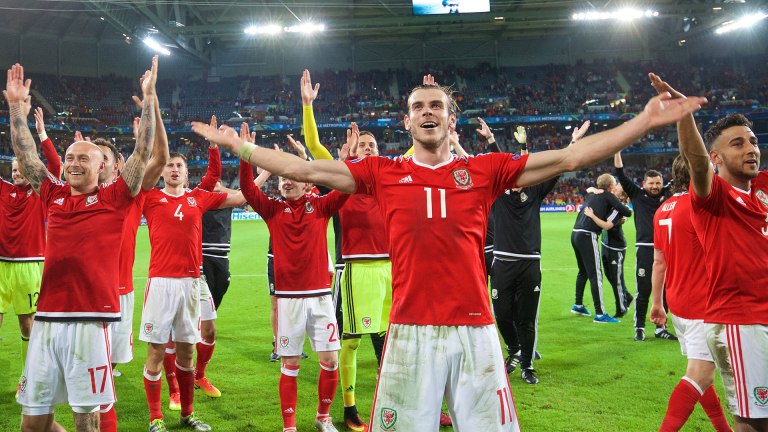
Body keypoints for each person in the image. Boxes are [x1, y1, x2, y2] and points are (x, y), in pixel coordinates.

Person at [192, 77, 705, 430]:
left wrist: (642, 122)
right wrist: (240, 148)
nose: (427, 112)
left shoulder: (484, 170)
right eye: (418, 106)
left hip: (476, 330)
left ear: (450, 117)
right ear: (407, 120)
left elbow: (570, 156)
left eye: (436, 105)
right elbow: (304, 171)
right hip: (410, 329)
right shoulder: (383, 174)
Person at [8, 56, 157, 432]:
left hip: (90, 323)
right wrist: (15, 109)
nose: (73, 163)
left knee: (86, 422)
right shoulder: (52, 194)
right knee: (33, 425)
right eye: (70, 158)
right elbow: (27, 155)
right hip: (46, 320)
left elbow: (143, 152)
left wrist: (151, 100)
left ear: (102, 168)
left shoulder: (116, 197)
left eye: (83, 159)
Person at [651, 72, 768, 432]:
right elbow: (697, 162)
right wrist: (684, 113)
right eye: (737, 144)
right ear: (716, 156)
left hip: (755, 315)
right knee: (753, 423)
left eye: (752, 141)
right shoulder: (711, 196)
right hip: (739, 320)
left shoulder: (759, 193)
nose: (750, 148)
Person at [237, 123, 349, 432]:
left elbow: (343, 190)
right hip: (288, 301)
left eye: (291, 177)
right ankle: (289, 426)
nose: (285, 182)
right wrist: (246, 155)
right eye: (282, 178)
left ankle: (323, 418)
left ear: (304, 180)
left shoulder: (321, 206)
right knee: (291, 365)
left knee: (330, 361)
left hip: (320, 298)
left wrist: (347, 159)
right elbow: (248, 190)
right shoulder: (273, 210)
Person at [299, 70, 390, 431]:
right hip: (356, 270)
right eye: (363, 145)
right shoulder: (344, 177)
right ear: (354, 151)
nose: (368, 149)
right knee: (350, 344)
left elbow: (423, 148)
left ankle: (396, 400)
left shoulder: (391, 175)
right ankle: (350, 410)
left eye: (373, 146)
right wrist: (308, 106)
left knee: (392, 344)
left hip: (392, 270)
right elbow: (313, 147)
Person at [140, 145, 244, 431]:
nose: (174, 169)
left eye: (179, 166)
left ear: (187, 174)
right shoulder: (149, 197)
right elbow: (138, 175)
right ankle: (155, 418)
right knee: (157, 352)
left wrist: (214, 148)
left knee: (186, 353)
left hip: (190, 283)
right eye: (169, 165)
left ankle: (187, 415)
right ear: (161, 171)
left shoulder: (197, 198)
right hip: (160, 283)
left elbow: (227, 186)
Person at [490, 120, 589, 385]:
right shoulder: (497, 193)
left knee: (526, 318)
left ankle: (527, 365)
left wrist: (574, 141)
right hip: (502, 262)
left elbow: (559, 166)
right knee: (501, 315)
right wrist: (490, 140)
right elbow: (495, 165)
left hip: (530, 263)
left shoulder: (535, 192)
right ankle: (514, 349)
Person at [649, 155, 732, 432]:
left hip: (678, 304)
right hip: (703, 304)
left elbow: (658, 262)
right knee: (699, 375)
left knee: (701, 373)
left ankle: (724, 429)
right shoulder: (700, 206)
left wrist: (657, 303)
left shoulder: (663, 209)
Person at [0, 104, 60, 394]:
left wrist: (42, 135)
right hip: (0, 265)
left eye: (20, 168)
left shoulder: (40, 192)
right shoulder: (3, 190)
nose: (16, 173)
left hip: (30, 264)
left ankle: (28, 378)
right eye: (12, 170)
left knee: (28, 324)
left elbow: (56, 168)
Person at [613, 152, 677, 341]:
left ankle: (660, 328)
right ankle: (639, 328)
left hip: (667, 248)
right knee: (644, 290)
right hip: (646, 248)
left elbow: (686, 173)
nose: (655, 186)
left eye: (658, 183)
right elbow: (620, 174)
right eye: (651, 183)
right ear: (644, 184)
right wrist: (617, 151)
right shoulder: (636, 194)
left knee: (666, 290)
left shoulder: (668, 192)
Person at [570, 174, 632, 324]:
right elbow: (628, 212)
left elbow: (591, 189)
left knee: (583, 271)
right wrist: (623, 214)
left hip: (575, 233)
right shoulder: (609, 197)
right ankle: (600, 313)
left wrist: (593, 189)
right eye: (615, 184)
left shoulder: (593, 194)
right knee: (596, 275)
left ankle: (578, 305)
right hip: (587, 235)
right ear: (611, 187)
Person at [598, 184, 633, 318]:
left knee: (616, 278)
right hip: (606, 243)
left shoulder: (620, 206)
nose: (614, 188)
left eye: (617, 188)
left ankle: (621, 308)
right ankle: (627, 296)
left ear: (622, 195)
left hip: (616, 246)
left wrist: (620, 220)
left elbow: (611, 221)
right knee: (609, 274)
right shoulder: (612, 202)